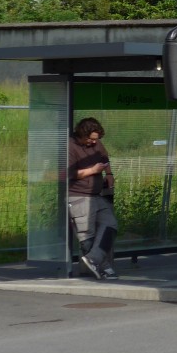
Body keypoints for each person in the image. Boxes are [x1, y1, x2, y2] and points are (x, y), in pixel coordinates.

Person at [67, 117, 119, 280]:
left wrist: (108, 173)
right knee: (86, 235)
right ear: (82, 134)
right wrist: (93, 170)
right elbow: (67, 174)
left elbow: (104, 157)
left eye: (96, 140)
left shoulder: (96, 144)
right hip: (78, 196)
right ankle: (103, 268)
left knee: (110, 224)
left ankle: (94, 259)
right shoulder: (70, 147)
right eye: (90, 139)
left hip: (96, 195)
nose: (93, 143)